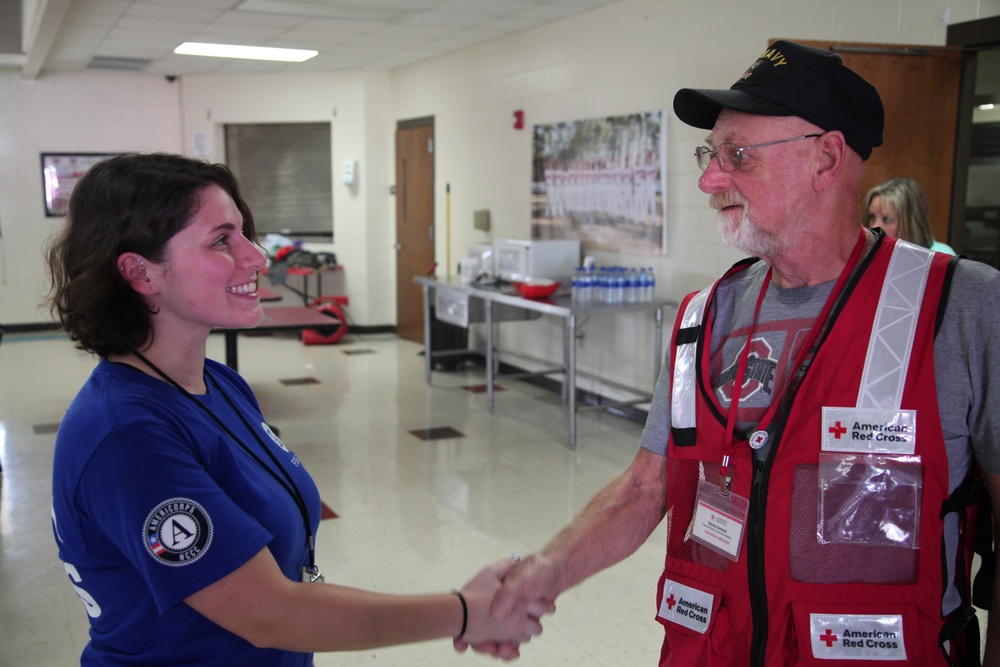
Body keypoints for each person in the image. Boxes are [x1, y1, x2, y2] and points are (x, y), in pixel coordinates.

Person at [464, 41, 1000, 665]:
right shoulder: (705, 316)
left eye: (737, 156)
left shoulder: (963, 308)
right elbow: (646, 485)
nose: (708, 180)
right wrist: (540, 575)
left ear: (826, 159)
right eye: (710, 155)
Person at [46, 152, 545, 666]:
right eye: (221, 240)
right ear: (139, 272)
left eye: (243, 233)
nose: (256, 257)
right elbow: (270, 614)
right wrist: (463, 612)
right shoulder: (127, 436)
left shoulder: (217, 384)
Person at [866, 176, 957, 255]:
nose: (874, 227)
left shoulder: (940, 256)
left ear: (910, 223)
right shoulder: (872, 255)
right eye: (872, 217)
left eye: (886, 219)